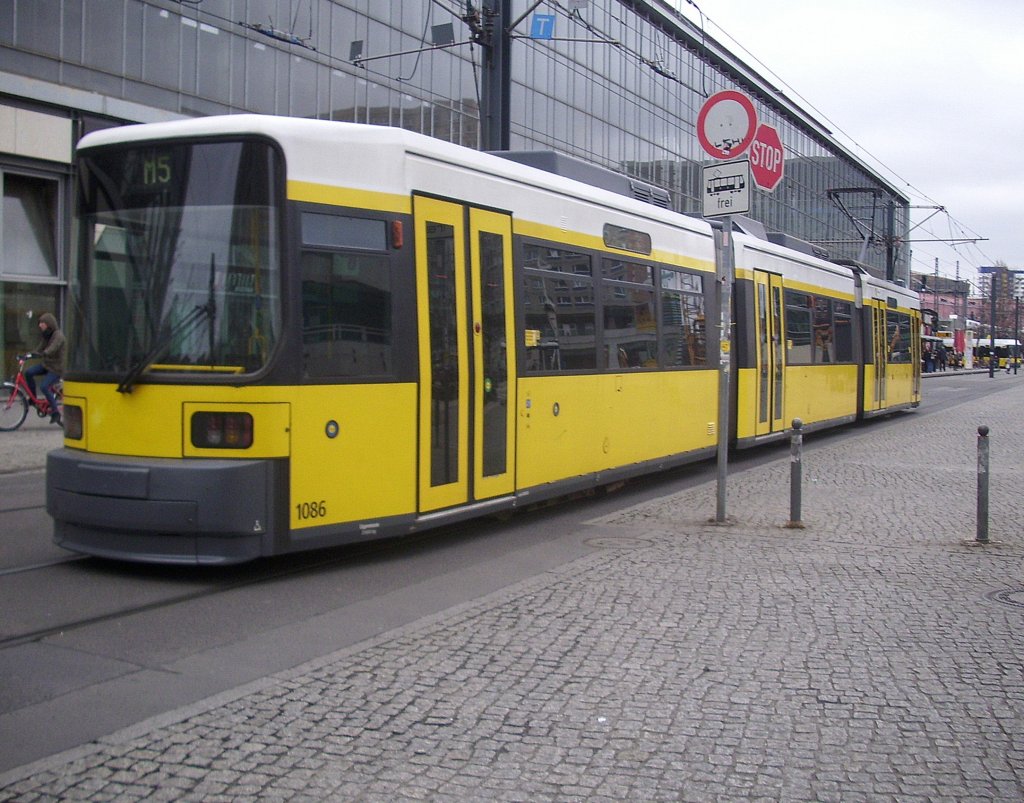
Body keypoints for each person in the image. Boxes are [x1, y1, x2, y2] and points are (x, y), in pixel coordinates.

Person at [24, 312, 66, 425]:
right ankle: (33, 399)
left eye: (42, 323)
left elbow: (52, 349)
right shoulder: (46, 335)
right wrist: (28, 355)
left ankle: (56, 412)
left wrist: (43, 353)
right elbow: (39, 349)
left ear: (49, 324)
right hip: (47, 365)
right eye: (40, 323)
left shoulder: (58, 336)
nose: (40, 325)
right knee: (28, 372)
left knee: (44, 386)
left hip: (56, 368)